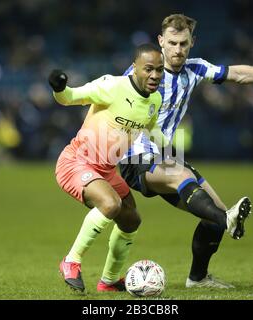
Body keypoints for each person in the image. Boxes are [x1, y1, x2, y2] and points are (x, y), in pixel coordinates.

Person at [119, 14, 253, 288]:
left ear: (192, 43)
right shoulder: (143, 73)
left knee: (214, 216)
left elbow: (239, 74)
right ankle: (228, 219)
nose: (177, 50)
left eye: (183, 44)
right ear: (161, 41)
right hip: (134, 159)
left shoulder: (195, 70)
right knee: (188, 181)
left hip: (164, 158)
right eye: (172, 43)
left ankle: (197, 277)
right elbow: (111, 103)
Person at [50, 43, 164, 292]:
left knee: (131, 219)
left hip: (107, 170)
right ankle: (71, 261)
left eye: (159, 70)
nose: (155, 75)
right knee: (111, 205)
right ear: (134, 68)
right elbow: (69, 97)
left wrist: (165, 156)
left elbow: (151, 132)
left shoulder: (155, 100)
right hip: (76, 162)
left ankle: (109, 281)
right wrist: (59, 86)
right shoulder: (112, 86)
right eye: (148, 69)